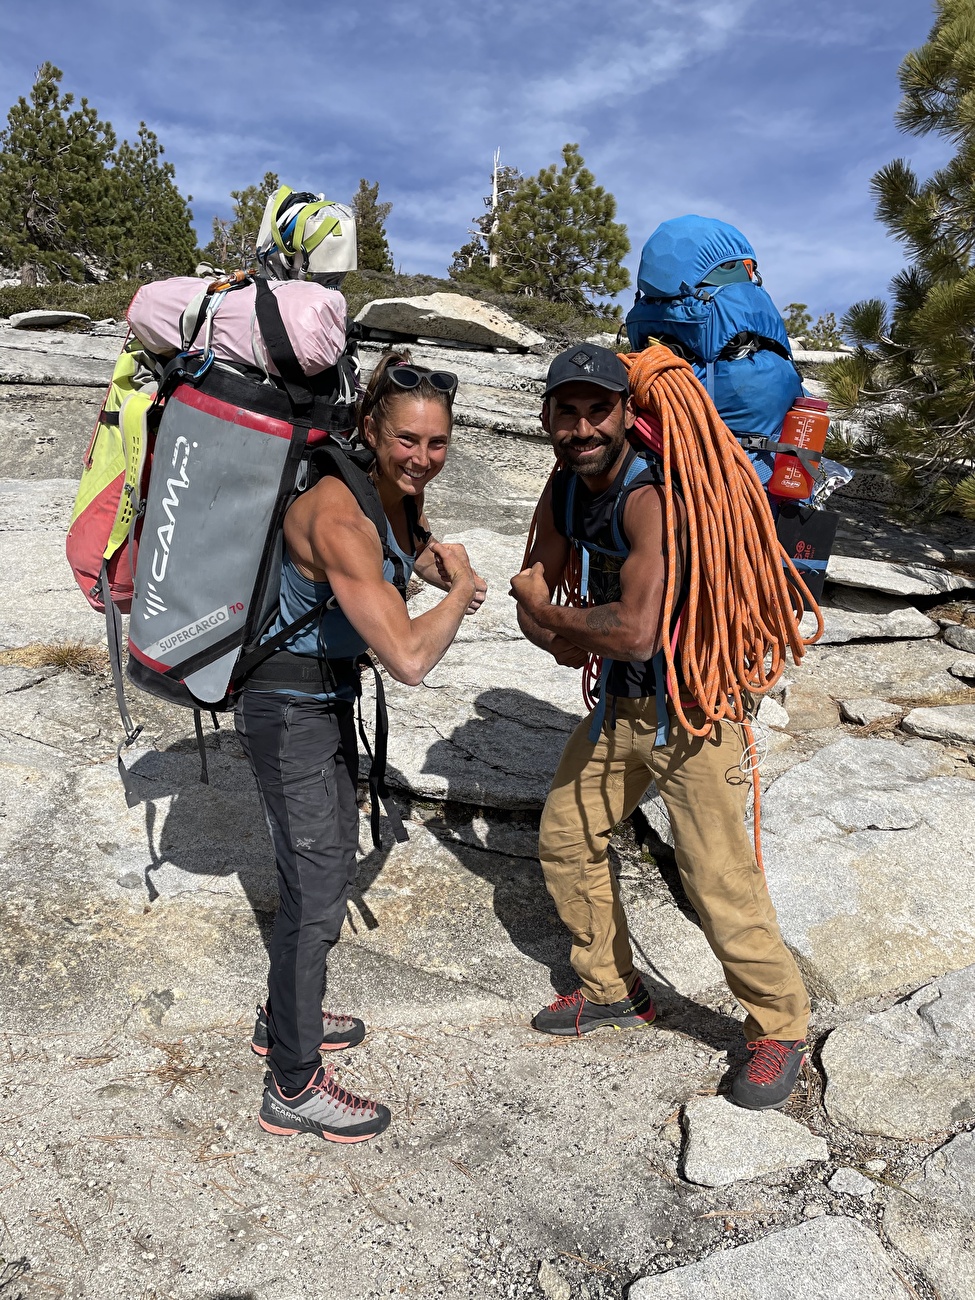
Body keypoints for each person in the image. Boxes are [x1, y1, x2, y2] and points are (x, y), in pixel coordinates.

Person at [508, 343, 811, 1110]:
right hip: (619, 703)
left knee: (716, 877)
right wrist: (552, 626)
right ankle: (612, 989)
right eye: (567, 412)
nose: (582, 428)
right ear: (547, 418)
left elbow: (634, 630)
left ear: (623, 413)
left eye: (597, 410)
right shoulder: (565, 487)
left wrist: (551, 617)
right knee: (566, 836)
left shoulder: (653, 497)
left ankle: (779, 1028)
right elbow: (534, 588)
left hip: (694, 707)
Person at [236, 351, 486, 1142]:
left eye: (437, 443)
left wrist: (435, 560)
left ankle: (286, 1016)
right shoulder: (337, 513)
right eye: (408, 440)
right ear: (371, 431)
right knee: (316, 888)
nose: (422, 458)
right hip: (287, 708)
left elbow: (405, 549)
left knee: (325, 863)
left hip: (323, 697)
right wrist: (459, 590)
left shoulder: (384, 493)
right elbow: (408, 658)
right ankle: (293, 1082)